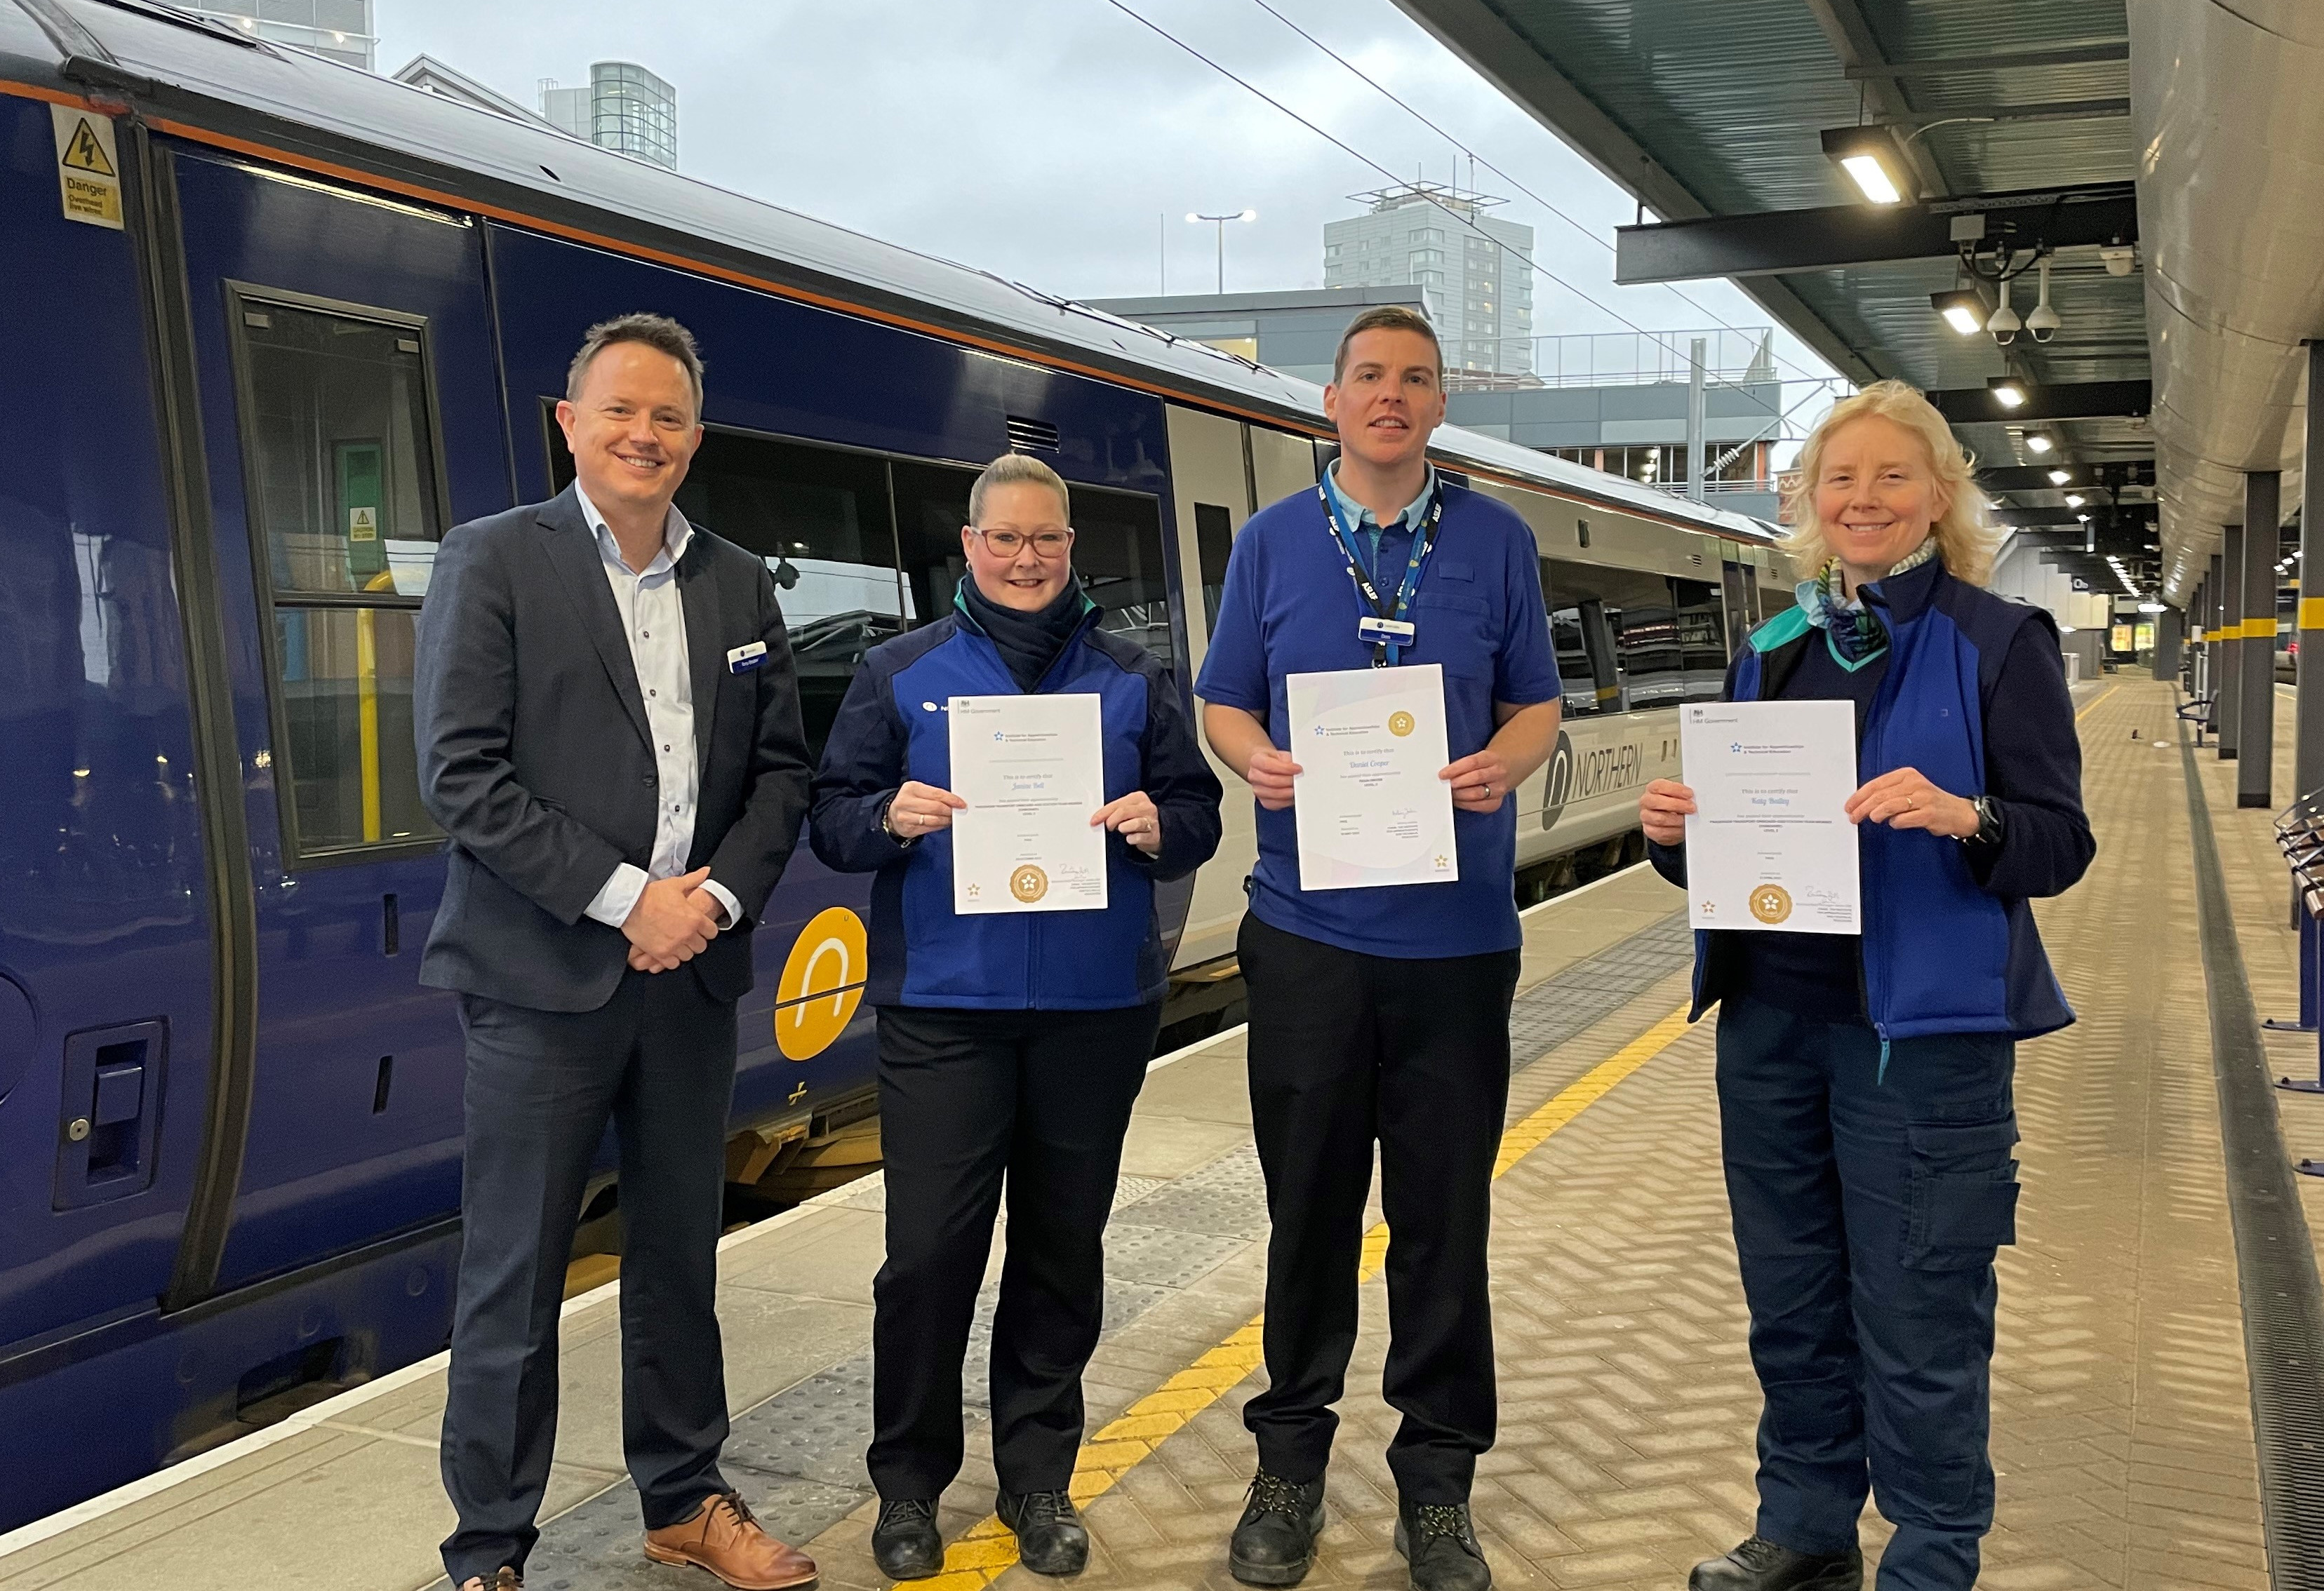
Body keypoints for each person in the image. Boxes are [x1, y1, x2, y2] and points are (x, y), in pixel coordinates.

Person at [1636, 380, 2093, 1591]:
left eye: (1893, 476)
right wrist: (1675, 832)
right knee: (1791, 1302)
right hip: (1771, 1021)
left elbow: (2061, 840)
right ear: (1809, 502)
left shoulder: (2000, 643)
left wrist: (1968, 815)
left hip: (1924, 1044)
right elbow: (1733, 850)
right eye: (1840, 479)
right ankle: (1805, 1526)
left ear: (1940, 498)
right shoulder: (1773, 650)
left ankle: (1934, 1558)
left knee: (1921, 1316)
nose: (1864, 498)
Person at [415, 314, 815, 1591]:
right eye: (621, 413)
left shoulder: (740, 581)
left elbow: (781, 774)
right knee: (513, 1274)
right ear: (568, 423)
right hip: (540, 978)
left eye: (671, 418)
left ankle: (685, 1496)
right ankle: (488, 1545)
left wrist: (709, 908)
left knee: (678, 1255)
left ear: (695, 438)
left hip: (691, 975)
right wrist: (625, 898)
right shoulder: (493, 562)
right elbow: (462, 777)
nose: (646, 435)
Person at [1191, 304, 1563, 1591]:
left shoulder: (1499, 542)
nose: (1390, 396)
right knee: (1309, 1212)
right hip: (1306, 936)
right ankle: (1289, 1465)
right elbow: (1223, 699)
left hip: (1458, 939)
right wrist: (1262, 763)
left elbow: (1539, 706)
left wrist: (1501, 767)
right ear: (1332, 402)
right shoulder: (1274, 545)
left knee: (1442, 1218)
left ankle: (1439, 1481)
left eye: (1414, 378)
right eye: (1369, 377)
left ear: (1438, 404)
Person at [808, 452, 1224, 1581]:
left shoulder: (1135, 676)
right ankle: (908, 1486)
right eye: (1006, 539)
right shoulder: (900, 673)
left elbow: (1200, 814)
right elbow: (832, 819)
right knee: (928, 1257)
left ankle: (1039, 1480)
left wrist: (1157, 822)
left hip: (1096, 1009)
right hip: (946, 1009)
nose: (1027, 558)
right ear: (971, 547)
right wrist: (887, 816)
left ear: (1071, 549)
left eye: (1047, 539)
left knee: (1059, 1248)